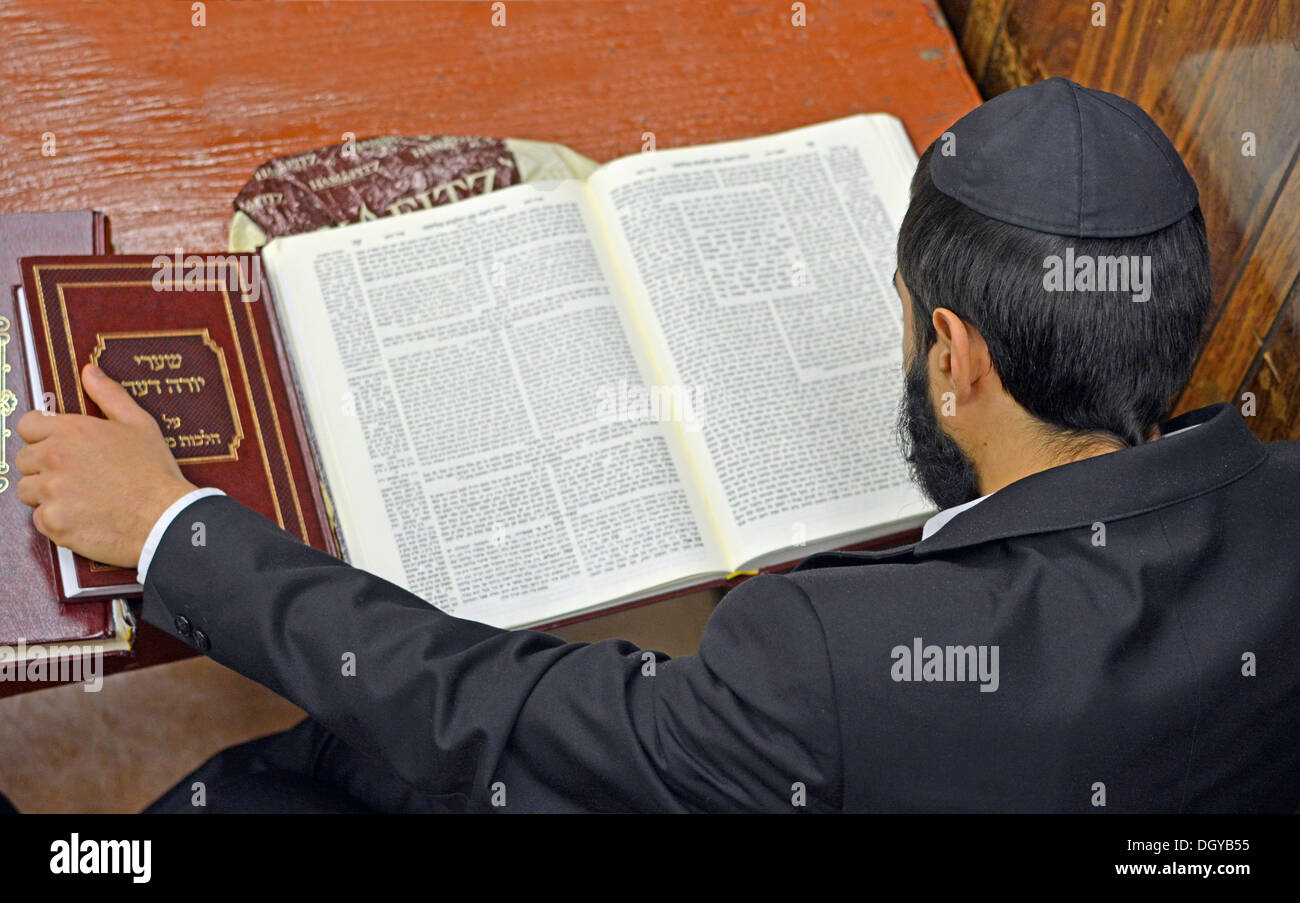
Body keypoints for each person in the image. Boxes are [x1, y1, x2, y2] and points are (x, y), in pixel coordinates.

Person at [14, 78, 1300, 812]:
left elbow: (493, 721)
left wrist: (174, 530)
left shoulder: (824, 670)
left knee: (334, 776)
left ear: (955, 355)